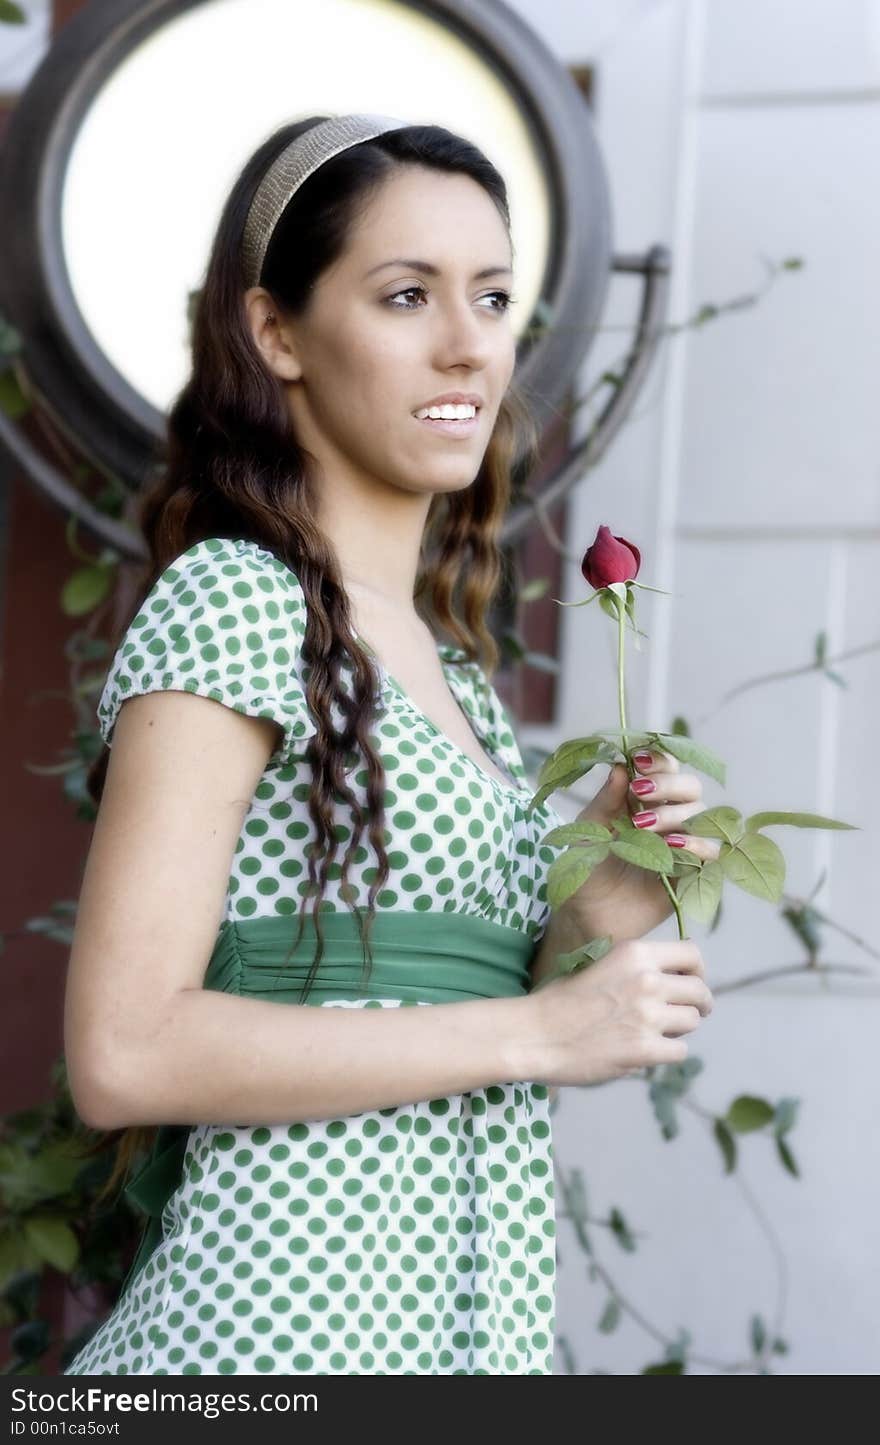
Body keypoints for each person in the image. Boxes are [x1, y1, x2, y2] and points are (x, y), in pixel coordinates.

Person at [62, 113, 712, 1376]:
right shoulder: (238, 602)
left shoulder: (451, 670)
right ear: (276, 333)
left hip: (453, 1319)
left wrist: (595, 906)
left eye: (492, 294)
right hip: (278, 1335)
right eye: (405, 294)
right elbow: (123, 1050)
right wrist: (541, 1035)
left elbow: (444, 993)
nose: (470, 343)